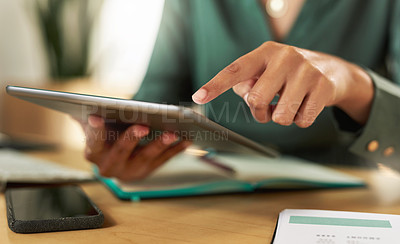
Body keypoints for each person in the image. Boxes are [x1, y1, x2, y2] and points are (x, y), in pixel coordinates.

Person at [79, 0, 400, 181]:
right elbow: (155, 105)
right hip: (219, 194)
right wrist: (122, 146)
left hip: (348, 198)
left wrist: (350, 82)